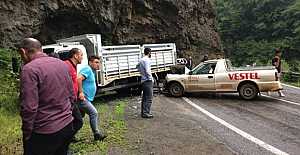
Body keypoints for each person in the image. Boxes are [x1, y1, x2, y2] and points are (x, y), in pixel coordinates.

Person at [18, 38, 75, 155]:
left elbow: (29, 107)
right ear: (41, 49)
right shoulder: (62, 64)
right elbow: (72, 96)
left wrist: (27, 132)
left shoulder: (29, 69)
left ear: (23, 52)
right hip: (67, 125)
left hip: (44, 132)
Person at [77, 56, 107, 141]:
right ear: (90, 62)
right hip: (83, 98)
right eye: (96, 62)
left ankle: (70, 135)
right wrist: (81, 92)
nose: (98, 65)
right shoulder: (87, 69)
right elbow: (78, 79)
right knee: (94, 113)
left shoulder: (91, 71)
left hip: (86, 98)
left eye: (99, 63)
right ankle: (96, 134)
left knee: (78, 118)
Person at [64, 48, 84, 142]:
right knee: (78, 121)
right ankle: (66, 139)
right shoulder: (66, 65)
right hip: (68, 100)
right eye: (81, 55)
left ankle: (69, 137)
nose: (82, 58)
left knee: (76, 119)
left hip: (73, 99)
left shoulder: (73, 66)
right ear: (75, 56)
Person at [138, 48, 154, 118]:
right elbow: (147, 70)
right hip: (148, 81)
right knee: (149, 98)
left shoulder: (141, 60)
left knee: (145, 98)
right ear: (149, 53)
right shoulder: (147, 60)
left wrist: (142, 73)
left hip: (143, 80)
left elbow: (137, 66)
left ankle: (143, 112)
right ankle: (146, 113)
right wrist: (151, 78)